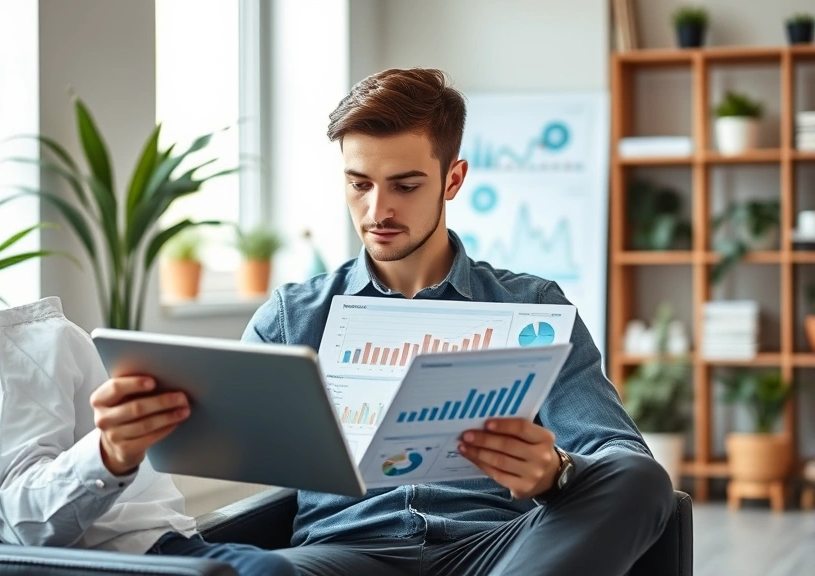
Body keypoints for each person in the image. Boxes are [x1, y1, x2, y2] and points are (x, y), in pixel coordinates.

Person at [229, 67, 675, 575]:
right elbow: (230, 439)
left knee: (643, 481)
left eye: (405, 185)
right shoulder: (293, 318)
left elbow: (619, 453)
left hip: (495, 552)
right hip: (347, 551)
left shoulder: (531, 307)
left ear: (453, 180)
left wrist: (557, 471)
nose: (379, 210)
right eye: (360, 184)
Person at [0, 297, 297, 576]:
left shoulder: (74, 344)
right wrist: (108, 455)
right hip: (121, 558)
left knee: (269, 567)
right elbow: (27, 523)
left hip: (174, 543)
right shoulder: (23, 341)